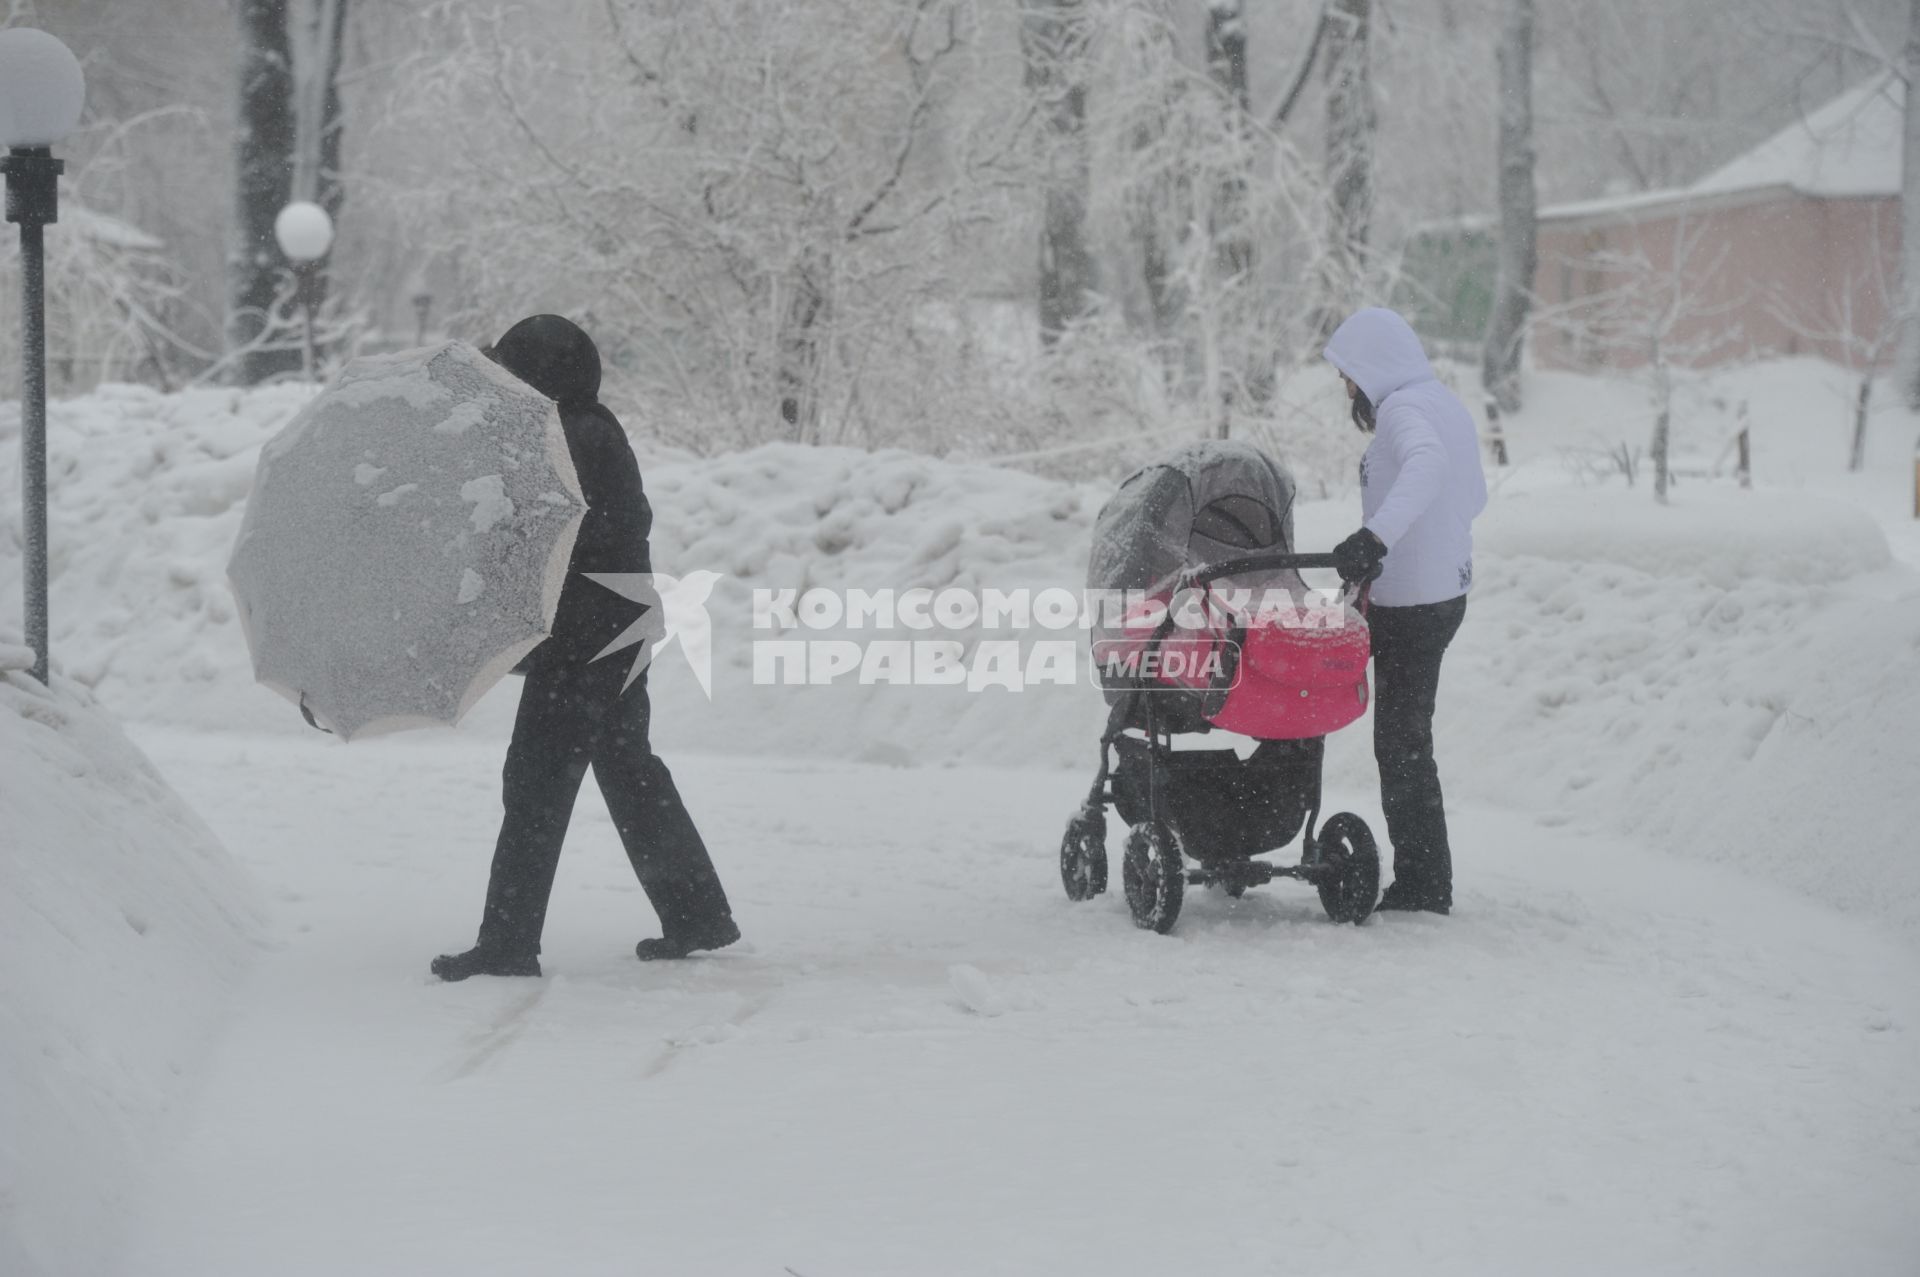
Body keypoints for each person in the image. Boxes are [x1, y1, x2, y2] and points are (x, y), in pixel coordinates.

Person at [433, 315, 739, 980]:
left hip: (585, 642)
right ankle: (697, 913)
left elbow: (531, 537)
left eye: (513, 370)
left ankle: (510, 941)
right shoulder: (590, 426)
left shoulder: (564, 437)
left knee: (536, 781)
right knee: (630, 772)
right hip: (618, 626)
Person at [1322, 307, 1487, 916]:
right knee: (1407, 740)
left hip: (1412, 606)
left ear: (1370, 369)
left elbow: (1429, 468)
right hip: (1443, 594)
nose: (1348, 390)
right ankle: (1426, 877)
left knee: (1402, 745)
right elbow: (1474, 494)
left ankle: (1423, 885)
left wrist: (1376, 538)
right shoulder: (1445, 403)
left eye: (1348, 376)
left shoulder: (1403, 411)